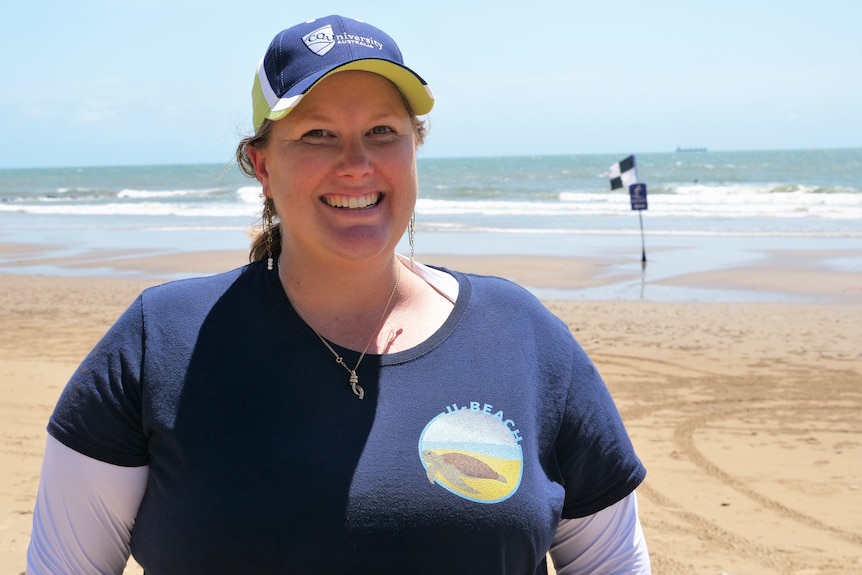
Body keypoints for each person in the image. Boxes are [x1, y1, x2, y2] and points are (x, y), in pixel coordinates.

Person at [26, 14, 650, 575]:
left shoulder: (522, 337)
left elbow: (613, 562)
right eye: (318, 135)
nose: (357, 163)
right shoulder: (158, 343)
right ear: (263, 166)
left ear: (415, 148)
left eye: (383, 131)